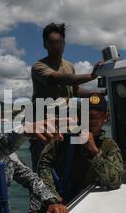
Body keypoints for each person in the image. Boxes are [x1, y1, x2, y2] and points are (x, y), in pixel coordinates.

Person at [23, 94, 124, 213]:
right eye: (89, 115)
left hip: (85, 207)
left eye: (98, 115)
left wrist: (94, 151)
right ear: (81, 116)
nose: (93, 120)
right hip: (57, 204)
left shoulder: (109, 146)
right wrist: (53, 199)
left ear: (106, 116)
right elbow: (44, 164)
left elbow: (115, 181)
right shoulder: (63, 137)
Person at [30, 23, 105, 171]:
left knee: (64, 165)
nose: (56, 46)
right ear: (45, 45)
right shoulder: (38, 66)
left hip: (64, 123)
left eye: (59, 42)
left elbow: (75, 90)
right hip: (44, 125)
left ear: (64, 44)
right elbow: (63, 79)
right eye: (52, 43)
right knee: (44, 168)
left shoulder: (69, 65)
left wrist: (98, 94)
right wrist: (92, 75)